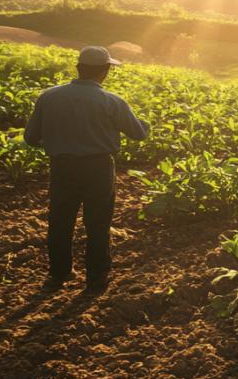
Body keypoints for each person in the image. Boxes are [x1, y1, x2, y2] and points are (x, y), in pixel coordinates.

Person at [24, 46, 150, 293]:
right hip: (99, 169)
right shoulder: (113, 101)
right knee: (98, 223)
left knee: (60, 221)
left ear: (79, 68)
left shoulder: (49, 96)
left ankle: (58, 274)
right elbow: (138, 134)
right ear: (104, 72)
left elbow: (30, 138)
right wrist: (145, 123)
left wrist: (58, 143)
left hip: (62, 168)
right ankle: (96, 278)